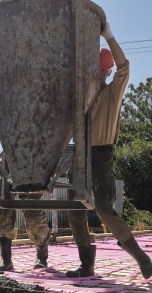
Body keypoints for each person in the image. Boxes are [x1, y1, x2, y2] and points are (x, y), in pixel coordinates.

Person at [66, 22, 152, 279]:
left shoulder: (112, 92)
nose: (98, 73)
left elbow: (125, 67)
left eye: (102, 69)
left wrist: (109, 36)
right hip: (79, 155)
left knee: (104, 209)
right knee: (74, 208)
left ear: (106, 70)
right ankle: (87, 265)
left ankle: (143, 261)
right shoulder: (82, 95)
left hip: (101, 155)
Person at [0, 153, 51, 274]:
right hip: (9, 156)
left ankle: (42, 257)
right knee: (3, 209)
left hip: (33, 155)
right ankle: (5, 259)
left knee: (33, 211)